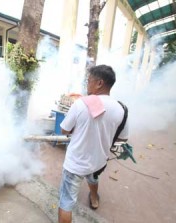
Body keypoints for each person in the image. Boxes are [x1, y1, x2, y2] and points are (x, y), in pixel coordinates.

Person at [58, 65, 129, 223]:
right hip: (99, 161)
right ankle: (95, 198)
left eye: (89, 81)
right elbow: (123, 138)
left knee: (66, 203)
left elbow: (64, 130)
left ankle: (92, 198)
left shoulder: (81, 104)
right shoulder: (122, 109)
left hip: (76, 164)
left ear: (99, 83)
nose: (86, 84)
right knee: (93, 177)